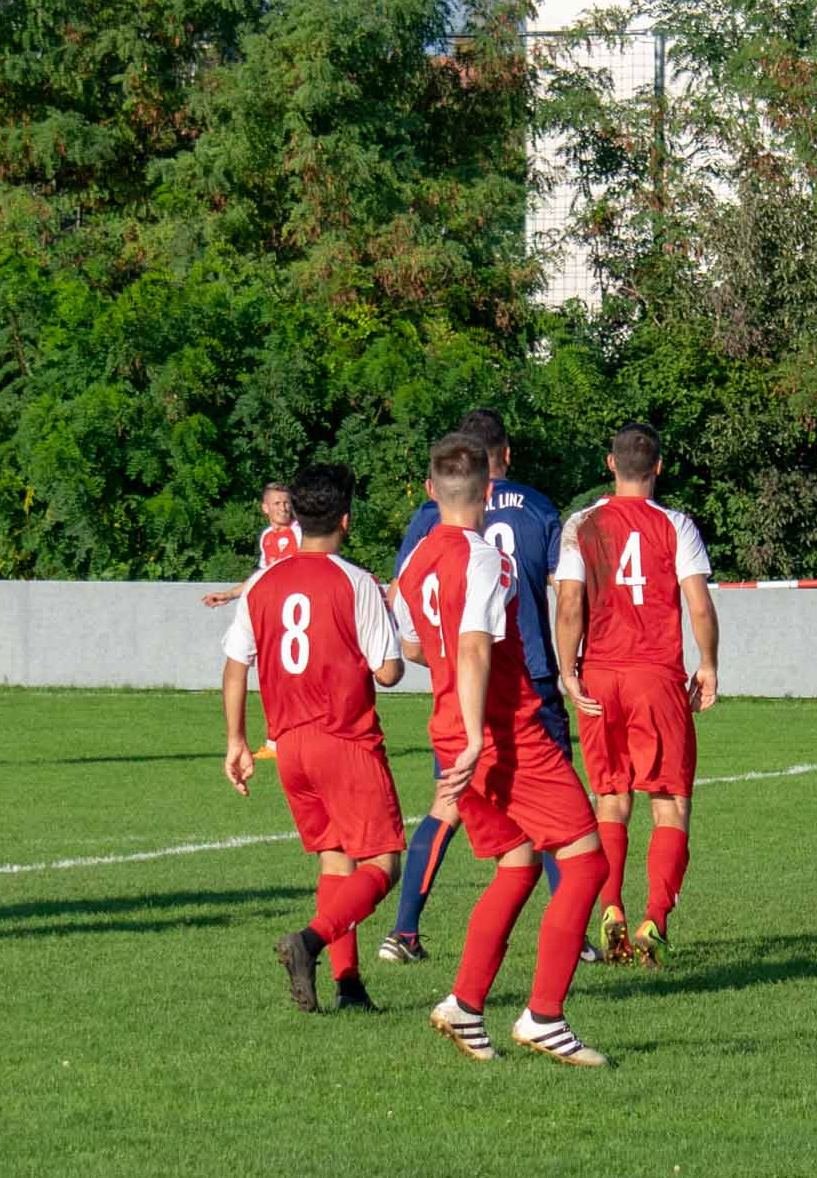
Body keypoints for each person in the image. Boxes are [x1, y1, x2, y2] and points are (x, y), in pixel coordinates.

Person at [392, 431, 609, 1065]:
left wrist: (460, 730)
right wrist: (477, 733)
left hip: (451, 729)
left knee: (517, 864)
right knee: (586, 863)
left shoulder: (416, 560)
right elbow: (471, 645)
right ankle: (544, 1016)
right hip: (502, 733)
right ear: (488, 491)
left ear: (431, 490)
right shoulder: (482, 557)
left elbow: (415, 646)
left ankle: (464, 1004)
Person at [381, 409, 568, 964]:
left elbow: (405, 605)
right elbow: (566, 591)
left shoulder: (428, 519)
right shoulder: (539, 507)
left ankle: (404, 931)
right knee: (559, 817)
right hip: (526, 679)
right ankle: (572, 937)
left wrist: (442, 662)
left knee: (448, 804)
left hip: (455, 693)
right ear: (504, 456)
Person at [220, 463, 407, 1012]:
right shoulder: (355, 582)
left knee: (335, 860)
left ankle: (349, 986)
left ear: (296, 516)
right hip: (343, 739)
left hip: (289, 747)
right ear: (346, 519)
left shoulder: (262, 583)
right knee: (383, 863)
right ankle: (309, 940)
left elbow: (236, 665)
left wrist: (236, 740)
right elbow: (388, 671)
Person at [549, 422, 718, 966]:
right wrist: (708, 664)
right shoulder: (675, 524)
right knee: (669, 802)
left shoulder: (583, 523)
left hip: (601, 675)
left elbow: (569, 603)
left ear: (610, 463)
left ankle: (611, 906)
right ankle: (655, 921)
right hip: (655, 677)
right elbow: (698, 604)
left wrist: (568, 671)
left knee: (611, 797)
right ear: (659, 467)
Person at [199, 481, 299, 607]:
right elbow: (261, 576)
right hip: (276, 604)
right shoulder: (267, 536)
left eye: (286, 503)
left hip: (297, 602)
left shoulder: (300, 533)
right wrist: (229, 595)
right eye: (277, 503)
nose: (283, 508)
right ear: (265, 508)